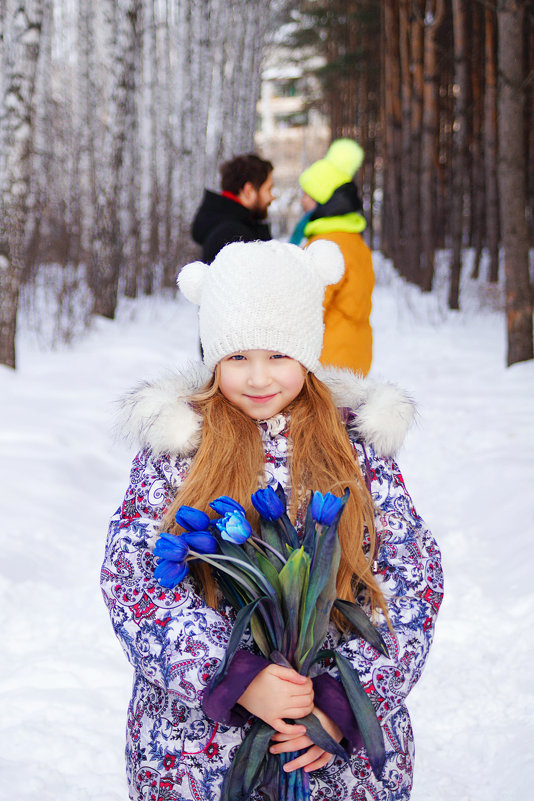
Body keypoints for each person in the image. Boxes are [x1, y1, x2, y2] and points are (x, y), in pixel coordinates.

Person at [101, 239, 443, 801]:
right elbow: (135, 583)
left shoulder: (357, 449)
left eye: (279, 355)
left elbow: (410, 581)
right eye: (237, 356)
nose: (258, 378)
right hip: (198, 748)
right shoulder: (178, 450)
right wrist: (237, 678)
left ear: (307, 352)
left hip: (332, 754)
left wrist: (345, 705)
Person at [291, 139, 375, 376]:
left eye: (308, 194)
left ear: (324, 201)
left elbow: (310, 307)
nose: (302, 200)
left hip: (327, 359)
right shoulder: (354, 241)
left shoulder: (325, 245)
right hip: (355, 353)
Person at [191, 152, 274, 263]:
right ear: (248, 191)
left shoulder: (226, 227)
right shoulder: (235, 237)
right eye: (268, 189)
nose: (271, 197)